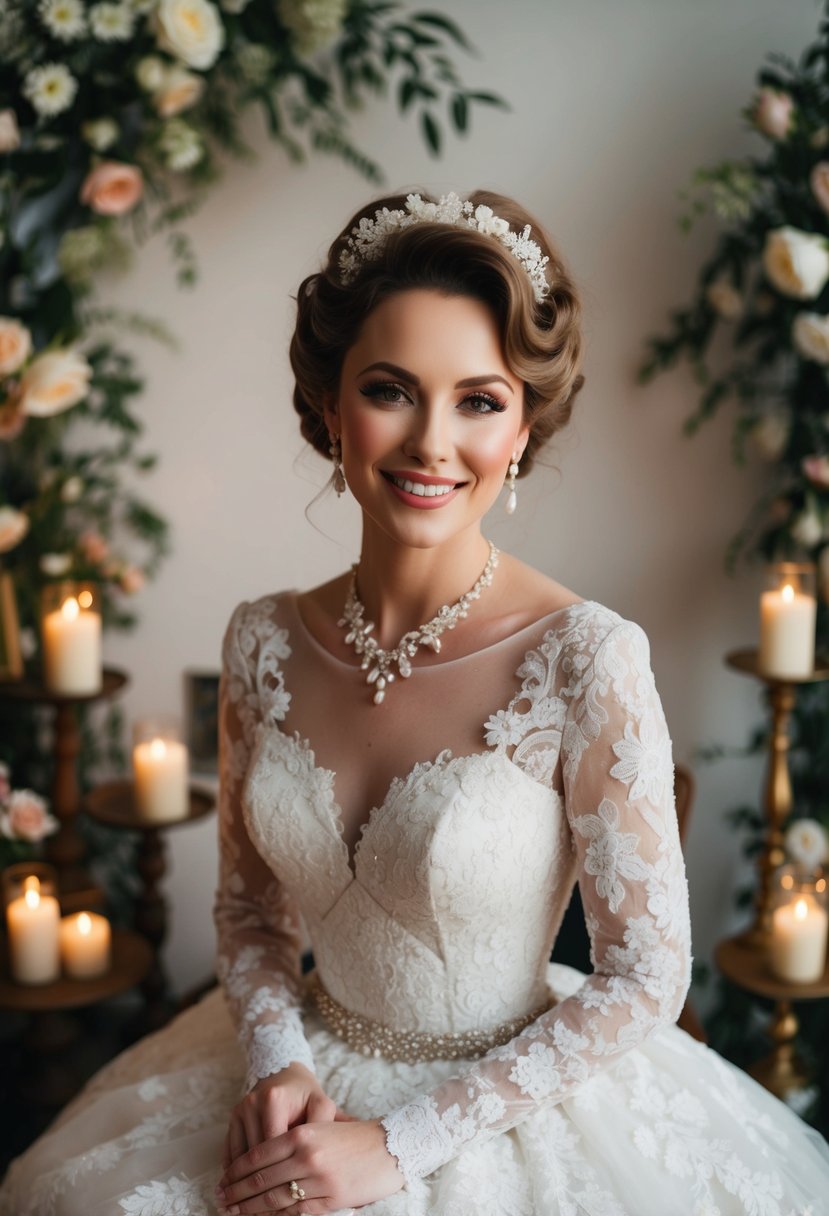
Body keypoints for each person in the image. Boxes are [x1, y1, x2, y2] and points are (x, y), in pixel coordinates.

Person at [2, 189, 829, 1216]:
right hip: (298, 1068)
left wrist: (396, 1146)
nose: (432, 443)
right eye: (391, 389)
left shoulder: (588, 656)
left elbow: (641, 980)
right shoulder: (261, 638)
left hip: (500, 1107)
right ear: (329, 408)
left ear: (523, 427)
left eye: (478, 400)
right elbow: (249, 917)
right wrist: (274, 1065)